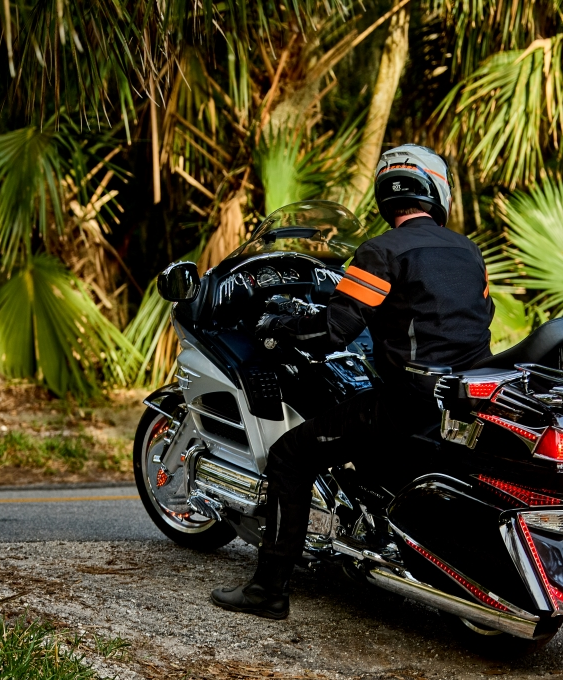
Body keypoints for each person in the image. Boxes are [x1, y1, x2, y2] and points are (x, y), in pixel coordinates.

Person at [211, 144, 495, 619]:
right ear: (437, 192)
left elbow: (333, 331)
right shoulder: (469, 252)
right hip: (467, 398)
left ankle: (269, 589)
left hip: (407, 405)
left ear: (387, 195)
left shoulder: (381, 251)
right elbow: (478, 316)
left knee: (290, 456)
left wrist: (282, 327)